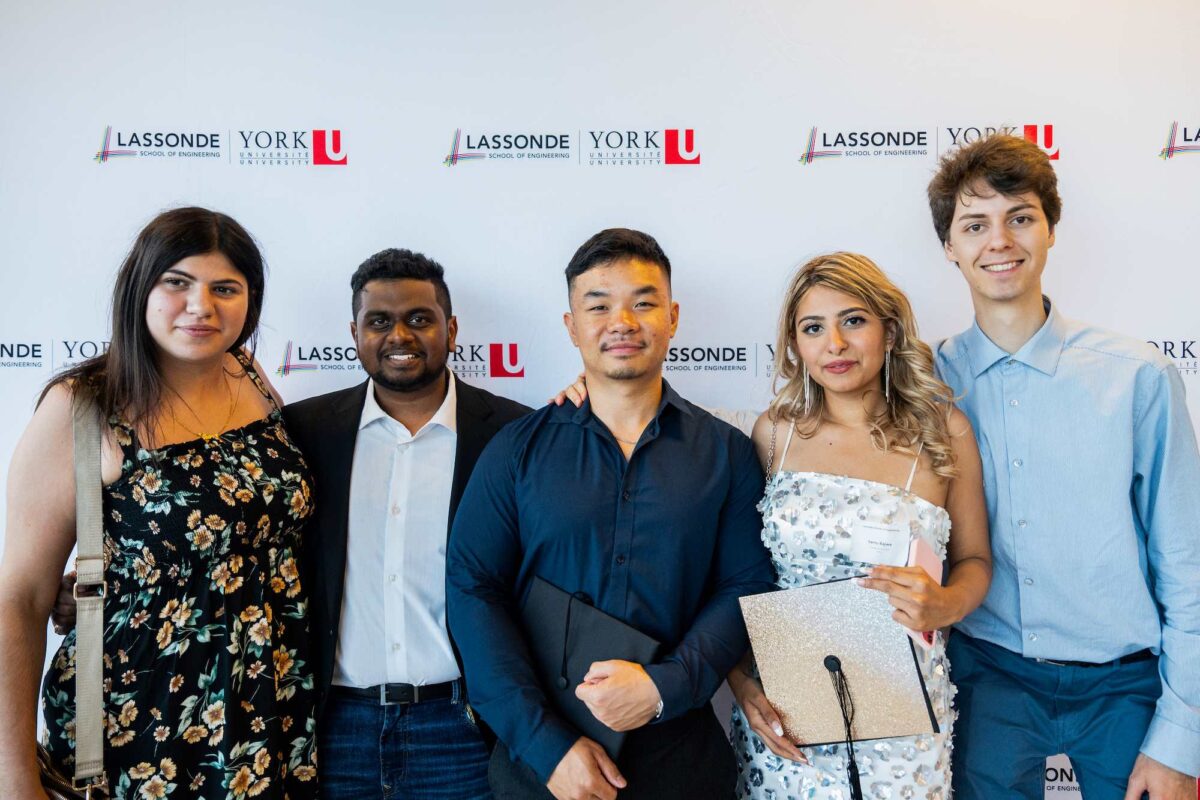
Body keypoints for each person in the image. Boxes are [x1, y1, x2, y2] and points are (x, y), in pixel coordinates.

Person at [446, 228, 777, 800]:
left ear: (672, 317)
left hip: (680, 759)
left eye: (643, 303)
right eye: (598, 305)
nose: (622, 321)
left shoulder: (725, 451)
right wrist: (547, 746)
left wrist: (663, 687)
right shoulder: (516, 449)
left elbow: (745, 584)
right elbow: (473, 589)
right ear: (572, 325)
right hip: (541, 766)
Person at [0, 207, 319, 799]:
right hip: (142, 723)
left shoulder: (249, 377)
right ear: (139, 289)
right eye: (177, 282)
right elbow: (17, 600)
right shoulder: (83, 407)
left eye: (226, 288)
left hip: (269, 706)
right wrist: (14, 779)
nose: (202, 306)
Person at [929, 134, 1200, 800]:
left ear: (1049, 230)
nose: (1000, 240)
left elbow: (1187, 562)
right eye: (975, 224)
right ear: (950, 248)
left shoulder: (1138, 376)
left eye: (1020, 217)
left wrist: (1180, 739)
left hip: (1126, 684)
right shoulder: (923, 382)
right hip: (988, 678)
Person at [710, 253, 989, 798]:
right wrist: (740, 680)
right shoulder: (774, 434)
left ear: (889, 331)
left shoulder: (944, 430)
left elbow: (977, 561)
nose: (834, 343)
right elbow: (740, 576)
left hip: (904, 714)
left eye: (853, 320)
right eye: (813, 328)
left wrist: (945, 604)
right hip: (789, 713)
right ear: (795, 345)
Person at [282, 249, 529, 799]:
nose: (400, 335)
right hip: (334, 729)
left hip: (464, 728)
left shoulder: (514, 434)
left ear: (451, 327)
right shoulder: (303, 432)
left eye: (419, 318)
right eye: (379, 321)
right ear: (354, 332)